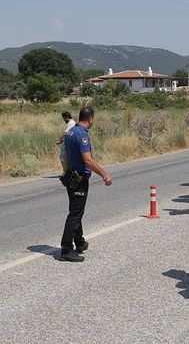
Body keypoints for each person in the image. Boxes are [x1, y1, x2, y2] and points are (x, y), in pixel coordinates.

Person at [60, 107, 112, 262]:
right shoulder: (81, 134)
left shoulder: (70, 132)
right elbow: (88, 160)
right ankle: (66, 249)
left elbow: (65, 156)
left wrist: (65, 173)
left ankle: (80, 242)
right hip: (79, 178)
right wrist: (104, 175)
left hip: (71, 176)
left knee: (77, 210)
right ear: (90, 119)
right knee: (75, 214)